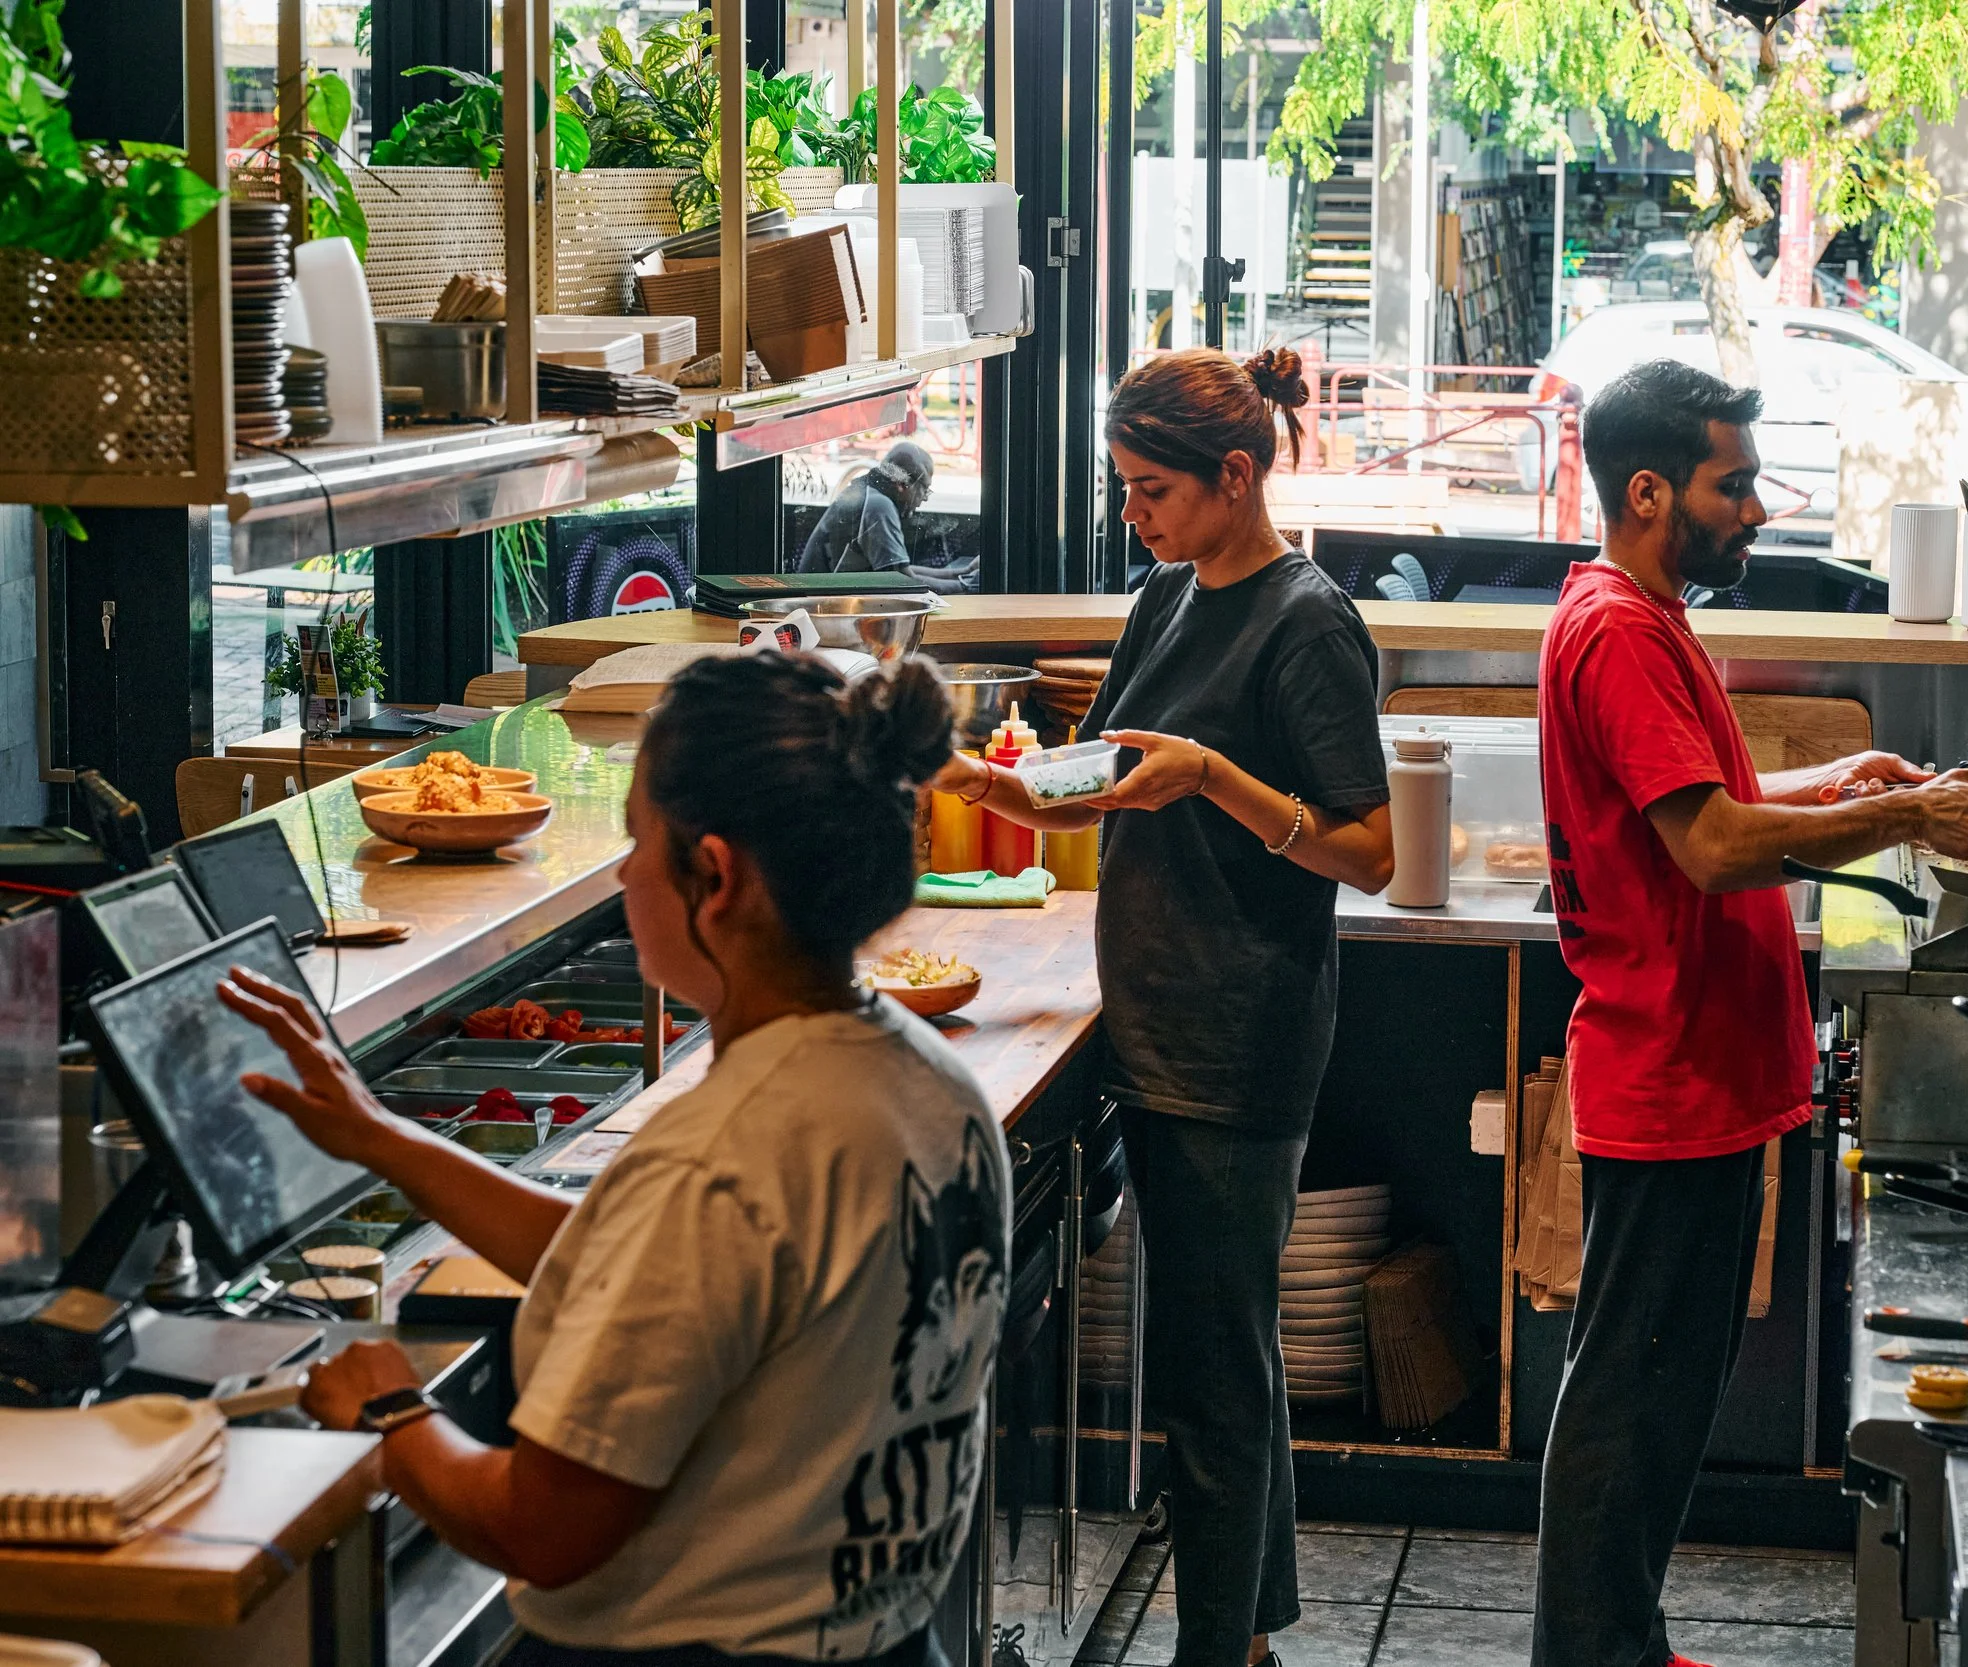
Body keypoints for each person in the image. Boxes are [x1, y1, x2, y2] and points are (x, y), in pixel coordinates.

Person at [219, 652, 1008, 1667]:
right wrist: (380, 1133)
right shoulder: (931, 1082)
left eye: (637, 843)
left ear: (715, 876)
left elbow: (540, 1528)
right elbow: (655, 1264)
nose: (625, 876)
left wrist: (387, 1408)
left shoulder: (719, 1160)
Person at [1529, 359, 1968, 1667]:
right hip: (1669, 1069)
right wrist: (1911, 811)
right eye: (1735, 483)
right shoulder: (1618, 631)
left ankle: (1624, 1644)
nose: (1757, 509)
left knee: (1657, 1399)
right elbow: (1710, 848)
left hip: (1698, 1067)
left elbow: (1709, 804)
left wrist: (1842, 779)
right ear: (1650, 491)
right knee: (1626, 1403)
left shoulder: (1646, 615)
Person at [933, 346, 1394, 1667]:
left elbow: (1369, 851)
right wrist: (989, 782)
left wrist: (1214, 778)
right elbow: (1104, 772)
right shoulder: (1168, 593)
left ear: (1235, 474)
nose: (1132, 513)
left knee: (1216, 1371)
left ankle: (1217, 1647)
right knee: (1223, 1358)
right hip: (1154, 1016)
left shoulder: (1307, 622)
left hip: (1234, 1034)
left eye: (1152, 490)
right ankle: (1244, 1636)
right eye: (1124, 487)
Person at [798, 440, 972, 593]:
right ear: (902, 484)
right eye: (924, 489)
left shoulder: (868, 492)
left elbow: (900, 570)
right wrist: (967, 586)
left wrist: (963, 572)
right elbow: (902, 581)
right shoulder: (878, 506)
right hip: (821, 603)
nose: (925, 498)